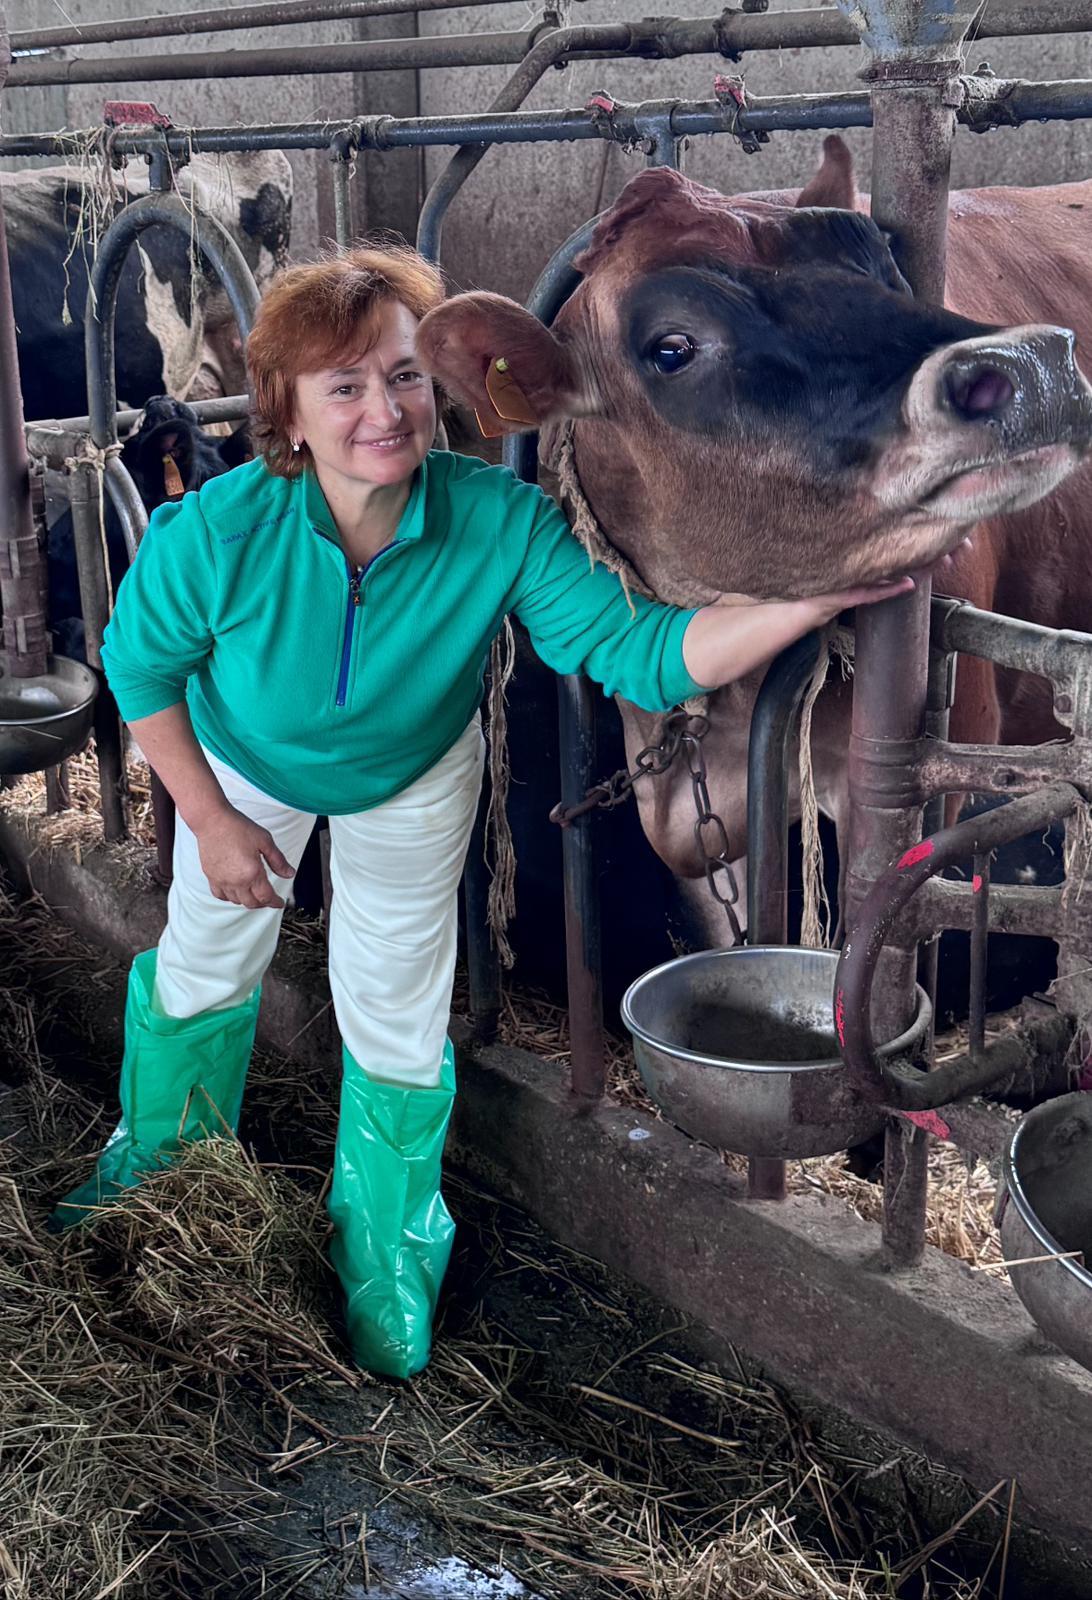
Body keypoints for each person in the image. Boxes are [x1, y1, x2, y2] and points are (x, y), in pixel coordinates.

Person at [53, 244, 912, 1379]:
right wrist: (210, 819)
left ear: (446, 389)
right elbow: (141, 668)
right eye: (344, 385)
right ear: (289, 412)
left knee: (397, 1001)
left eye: (407, 377)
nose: (384, 410)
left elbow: (642, 653)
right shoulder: (216, 531)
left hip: (409, 769)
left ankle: (386, 1245)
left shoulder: (495, 520)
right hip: (243, 756)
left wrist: (808, 597)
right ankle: (156, 1164)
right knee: (208, 955)